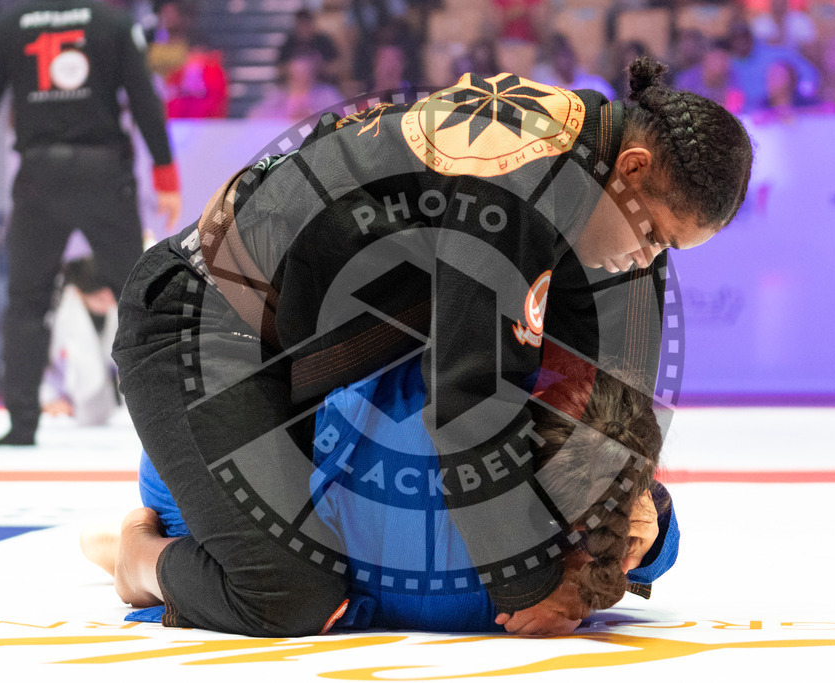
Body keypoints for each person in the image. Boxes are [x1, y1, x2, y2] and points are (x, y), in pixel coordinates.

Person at [108, 58, 752, 638]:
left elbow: (617, 388)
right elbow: (471, 401)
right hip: (197, 327)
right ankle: (138, 559)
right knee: (287, 596)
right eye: (657, 237)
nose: (649, 259)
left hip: (309, 359)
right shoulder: (522, 180)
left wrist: (632, 497)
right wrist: (530, 588)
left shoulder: (595, 177)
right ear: (634, 167)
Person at [85, 343, 680, 632]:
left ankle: (123, 547)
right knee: (298, 600)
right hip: (203, 499)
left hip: (199, 422)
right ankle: (138, 561)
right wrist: (639, 543)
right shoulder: (482, 594)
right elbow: (353, 606)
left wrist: (646, 528)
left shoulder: (480, 382)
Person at [0, 0, 183, 446]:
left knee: (26, 301)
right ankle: (169, 422)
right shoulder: (112, 25)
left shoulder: (7, 27)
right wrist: (165, 173)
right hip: (103, 174)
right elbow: (143, 98)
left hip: (40, 178)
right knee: (138, 298)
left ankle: (22, 424)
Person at [40, 256, 121, 426]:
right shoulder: (57, 317)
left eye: (111, 298)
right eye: (100, 299)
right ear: (79, 292)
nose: (109, 304)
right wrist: (47, 400)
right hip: (57, 398)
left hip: (102, 405)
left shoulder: (114, 310)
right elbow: (40, 363)